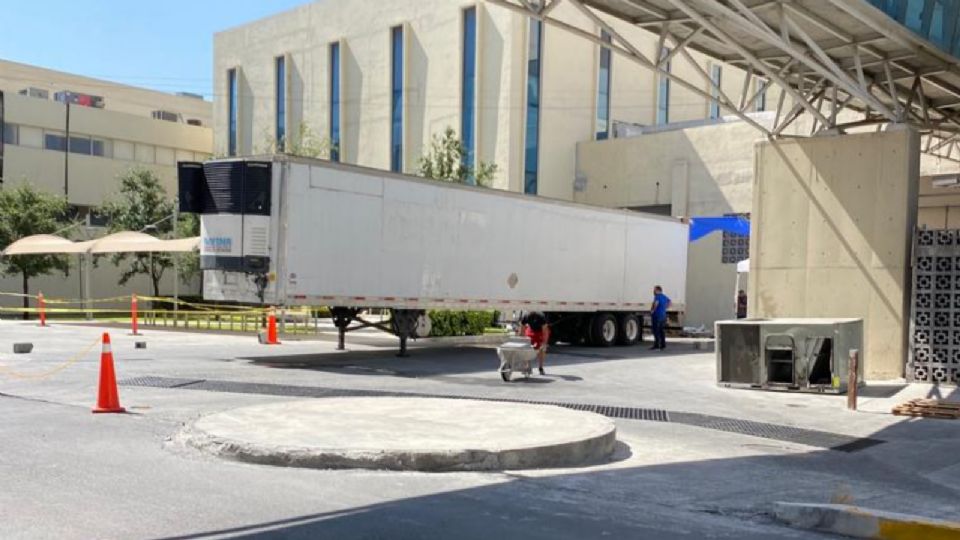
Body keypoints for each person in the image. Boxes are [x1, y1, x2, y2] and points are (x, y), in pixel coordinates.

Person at [650, 286, 671, 350]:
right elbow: (670, 302)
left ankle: (656, 345)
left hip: (657, 316)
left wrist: (653, 310)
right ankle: (663, 345)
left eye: (654, 290)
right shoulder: (664, 296)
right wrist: (665, 307)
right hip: (663, 316)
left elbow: (656, 303)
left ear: (658, 290)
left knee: (656, 331)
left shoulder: (657, 296)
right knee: (661, 331)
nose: (654, 291)